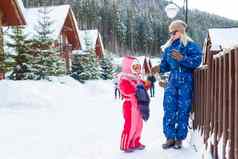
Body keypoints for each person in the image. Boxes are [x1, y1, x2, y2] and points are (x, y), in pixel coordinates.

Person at [151, 20, 202, 149]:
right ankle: (169, 137)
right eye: (170, 32)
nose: (171, 34)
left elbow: (197, 61)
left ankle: (179, 138)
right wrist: (159, 68)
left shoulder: (191, 45)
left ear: (181, 31)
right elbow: (165, 65)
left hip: (186, 80)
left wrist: (182, 59)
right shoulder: (169, 47)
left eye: (174, 32)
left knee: (183, 109)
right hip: (172, 81)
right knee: (169, 108)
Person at [118, 56, 146, 153]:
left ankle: (135, 142)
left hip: (138, 106)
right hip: (129, 105)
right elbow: (126, 89)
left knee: (138, 125)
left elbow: (144, 86)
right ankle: (125, 144)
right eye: (135, 67)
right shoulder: (124, 79)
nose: (138, 70)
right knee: (130, 125)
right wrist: (137, 90)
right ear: (128, 68)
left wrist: (148, 83)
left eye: (139, 67)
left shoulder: (137, 79)